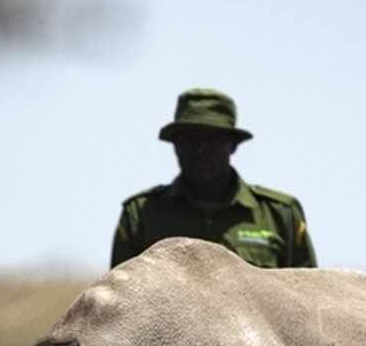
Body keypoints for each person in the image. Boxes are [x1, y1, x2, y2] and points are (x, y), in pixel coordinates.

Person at [111, 88, 316, 269]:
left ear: (233, 145)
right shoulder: (141, 215)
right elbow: (120, 301)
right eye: (190, 139)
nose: (201, 149)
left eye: (213, 139)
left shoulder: (281, 214)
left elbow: (308, 297)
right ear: (175, 145)